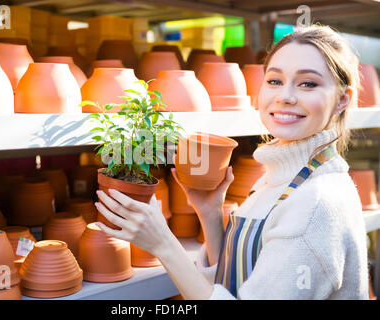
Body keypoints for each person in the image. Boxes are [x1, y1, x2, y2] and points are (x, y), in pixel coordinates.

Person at [94, 24, 369, 300]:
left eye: (308, 83)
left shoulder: (316, 204)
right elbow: (239, 284)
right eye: (274, 81)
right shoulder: (278, 178)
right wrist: (210, 215)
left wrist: (164, 244)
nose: (285, 96)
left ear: (342, 100)